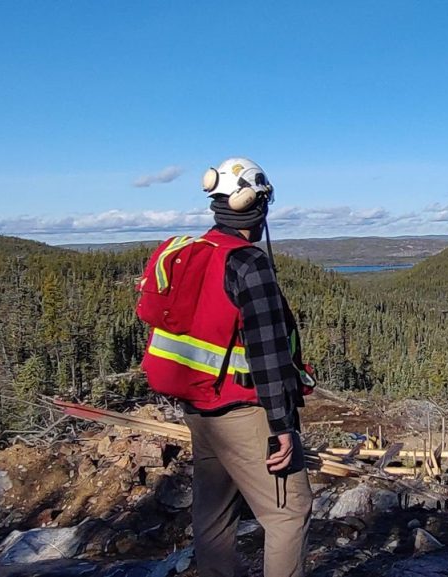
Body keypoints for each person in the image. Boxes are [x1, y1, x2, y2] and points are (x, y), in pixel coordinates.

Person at [140, 158, 312, 577]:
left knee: (214, 516)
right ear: (258, 205)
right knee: (289, 512)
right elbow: (268, 352)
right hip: (244, 410)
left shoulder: (193, 255)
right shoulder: (249, 264)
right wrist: (283, 425)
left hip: (200, 410)